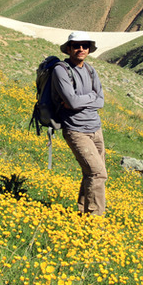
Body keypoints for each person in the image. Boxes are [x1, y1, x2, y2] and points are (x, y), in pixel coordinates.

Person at [52, 31, 107, 216]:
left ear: (89, 49)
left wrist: (84, 98)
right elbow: (73, 102)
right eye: (76, 46)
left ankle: (82, 213)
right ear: (69, 48)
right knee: (97, 173)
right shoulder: (61, 70)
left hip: (95, 129)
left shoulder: (91, 70)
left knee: (91, 173)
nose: (81, 49)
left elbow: (100, 100)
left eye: (85, 46)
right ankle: (95, 221)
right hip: (76, 130)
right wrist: (89, 97)